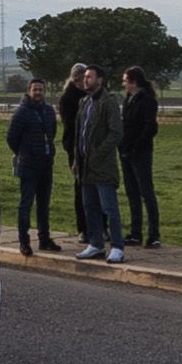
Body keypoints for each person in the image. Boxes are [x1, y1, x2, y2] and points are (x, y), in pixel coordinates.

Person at [71, 65, 126, 263]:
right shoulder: (84, 102)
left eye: (89, 77)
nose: (85, 80)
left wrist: (98, 153)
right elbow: (80, 135)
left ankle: (117, 246)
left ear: (100, 80)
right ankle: (95, 243)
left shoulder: (108, 102)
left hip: (103, 166)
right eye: (85, 77)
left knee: (109, 208)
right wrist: (78, 160)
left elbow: (116, 132)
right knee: (90, 206)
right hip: (85, 166)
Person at [6, 77, 62, 256]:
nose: (38, 92)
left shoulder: (48, 111)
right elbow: (11, 138)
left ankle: (44, 239)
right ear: (29, 91)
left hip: (46, 163)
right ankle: (24, 241)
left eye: (41, 89)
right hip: (29, 165)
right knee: (26, 204)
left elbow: (52, 131)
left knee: (44, 204)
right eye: (35, 89)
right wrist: (24, 151)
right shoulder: (21, 113)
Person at [117, 65, 161, 249]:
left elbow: (150, 127)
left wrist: (136, 145)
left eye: (126, 81)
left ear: (134, 82)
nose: (124, 85)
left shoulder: (147, 100)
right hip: (126, 152)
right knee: (132, 192)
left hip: (140, 152)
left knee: (146, 192)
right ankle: (136, 232)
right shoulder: (128, 100)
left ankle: (154, 234)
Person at [56, 63, 92, 242]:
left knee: (98, 187)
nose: (80, 82)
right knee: (80, 188)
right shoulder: (68, 98)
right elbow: (71, 125)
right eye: (76, 79)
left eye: (82, 79)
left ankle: (101, 226)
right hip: (76, 147)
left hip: (93, 147)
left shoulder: (92, 94)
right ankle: (83, 228)